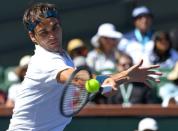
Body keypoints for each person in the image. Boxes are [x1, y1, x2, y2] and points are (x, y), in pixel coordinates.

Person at [7, 3, 162, 131]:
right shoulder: (44, 61)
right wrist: (101, 84)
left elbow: (91, 79)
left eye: (55, 28)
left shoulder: (63, 56)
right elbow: (74, 78)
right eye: (44, 33)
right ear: (32, 36)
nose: (52, 36)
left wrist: (126, 76)